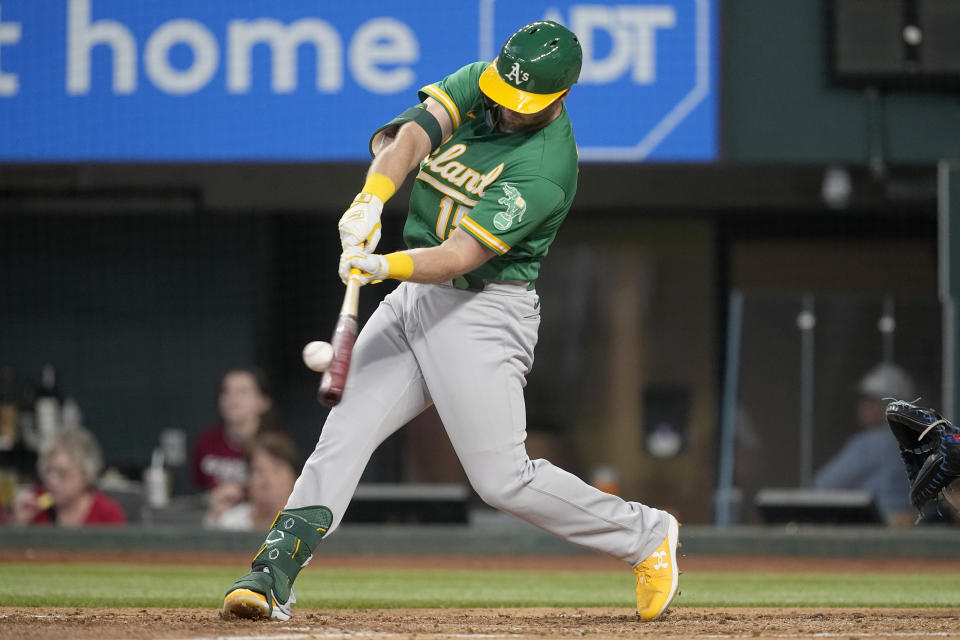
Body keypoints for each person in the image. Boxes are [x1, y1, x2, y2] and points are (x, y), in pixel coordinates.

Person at [221, 21, 679, 623]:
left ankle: (646, 535)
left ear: (561, 97)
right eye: (505, 96)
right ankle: (273, 574)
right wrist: (370, 199)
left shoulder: (547, 167)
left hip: (484, 310)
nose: (508, 112)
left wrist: (381, 263)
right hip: (416, 298)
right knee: (343, 432)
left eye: (525, 106)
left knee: (501, 480)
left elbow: (460, 257)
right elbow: (408, 137)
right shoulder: (481, 84)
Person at [814, 363, 916, 524]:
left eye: (871, 401)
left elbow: (824, 485)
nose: (862, 406)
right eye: (863, 400)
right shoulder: (917, 442)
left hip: (875, 530)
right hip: (909, 530)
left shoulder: (873, 442)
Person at [192, 368, 274, 523]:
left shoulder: (274, 446)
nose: (233, 398)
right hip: (216, 520)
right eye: (226, 392)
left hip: (262, 524)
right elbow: (198, 489)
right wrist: (213, 500)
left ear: (263, 402)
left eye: (242, 392)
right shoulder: (206, 441)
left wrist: (243, 494)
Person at [11, 426, 125, 527]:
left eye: (63, 473)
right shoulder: (34, 505)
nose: (52, 480)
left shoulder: (107, 513)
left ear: (86, 474)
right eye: (48, 471)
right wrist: (18, 523)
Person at [206, 431, 300, 531]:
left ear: (295, 479)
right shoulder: (229, 524)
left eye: (276, 470)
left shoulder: (308, 528)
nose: (267, 480)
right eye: (259, 471)